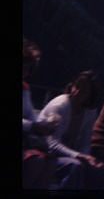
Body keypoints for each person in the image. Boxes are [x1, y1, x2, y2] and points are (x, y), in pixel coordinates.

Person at [39, 71, 104, 189]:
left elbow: (85, 141)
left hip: (70, 155)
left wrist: (87, 158)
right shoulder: (60, 106)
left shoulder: (90, 111)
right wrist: (80, 156)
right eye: (76, 87)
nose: (77, 92)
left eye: (84, 91)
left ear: (90, 95)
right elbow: (52, 143)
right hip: (48, 154)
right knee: (76, 166)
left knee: (99, 171)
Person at [23, 38, 58, 189]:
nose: (23, 71)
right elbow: (30, 124)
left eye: (26, 68)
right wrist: (33, 127)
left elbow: (31, 115)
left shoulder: (24, 89)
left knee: (50, 161)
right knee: (35, 160)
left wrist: (44, 126)